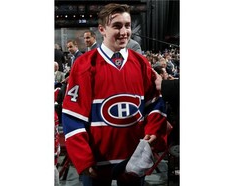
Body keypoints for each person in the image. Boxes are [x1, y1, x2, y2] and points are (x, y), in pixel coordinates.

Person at [62, 3, 168, 186]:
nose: (124, 31)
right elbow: (72, 115)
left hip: (134, 158)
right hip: (96, 160)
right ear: (102, 29)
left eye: (127, 25)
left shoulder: (141, 63)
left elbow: (154, 104)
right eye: (117, 26)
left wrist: (152, 130)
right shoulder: (84, 65)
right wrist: (83, 157)